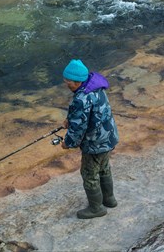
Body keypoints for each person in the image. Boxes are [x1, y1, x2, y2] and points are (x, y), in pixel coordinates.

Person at [60, 59, 119, 219]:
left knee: (89, 174)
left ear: (78, 81)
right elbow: (90, 113)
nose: (66, 84)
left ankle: (96, 208)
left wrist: (68, 143)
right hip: (108, 137)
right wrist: (70, 119)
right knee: (104, 168)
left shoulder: (81, 99)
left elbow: (79, 128)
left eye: (68, 81)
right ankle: (109, 199)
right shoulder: (96, 88)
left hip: (94, 144)